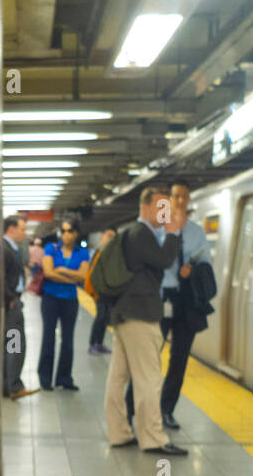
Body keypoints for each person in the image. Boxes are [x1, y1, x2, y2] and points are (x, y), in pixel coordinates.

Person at [124, 181, 213, 429]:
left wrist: (192, 269)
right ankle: (131, 409)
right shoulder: (158, 229)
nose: (180, 200)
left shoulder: (197, 231)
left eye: (184, 196)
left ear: (188, 200)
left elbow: (206, 262)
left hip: (186, 302)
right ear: (169, 200)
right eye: (176, 196)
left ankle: (166, 410)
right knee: (149, 357)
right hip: (160, 299)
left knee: (179, 361)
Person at [105, 187, 187, 456]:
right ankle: (153, 438)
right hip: (140, 315)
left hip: (127, 313)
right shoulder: (142, 234)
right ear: (146, 207)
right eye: (162, 207)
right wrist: (174, 232)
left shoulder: (132, 234)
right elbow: (164, 260)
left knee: (118, 377)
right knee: (149, 378)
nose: (166, 214)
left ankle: (119, 433)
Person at [37, 218, 88, 392]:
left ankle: (64, 378)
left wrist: (61, 270)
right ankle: (45, 378)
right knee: (48, 337)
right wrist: (70, 276)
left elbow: (83, 276)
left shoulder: (82, 252)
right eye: (63, 231)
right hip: (50, 299)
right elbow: (48, 273)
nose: (66, 235)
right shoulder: (51, 248)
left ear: (76, 233)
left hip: (70, 300)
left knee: (68, 340)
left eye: (69, 231)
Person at [1, 215, 37, 399]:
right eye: (22, 229)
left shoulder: (10, 249)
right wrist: (10, 299)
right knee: (14, 345)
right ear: (11, 229)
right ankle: (14, 386)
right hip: (12, 307)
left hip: (13, 303)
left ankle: (8, 385)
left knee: (11, 345)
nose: (25, 233)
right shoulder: (5, 250)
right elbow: (0, 278)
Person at [86, 227, 117, 355]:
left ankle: (99, 343)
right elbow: (91, 274)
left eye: (113, 236)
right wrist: (93, 291)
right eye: (109, 235)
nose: (111, 239)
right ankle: (92, 344)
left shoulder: (112, 253)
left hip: (108, 291)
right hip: (99, 291)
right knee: (100, 316)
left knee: (105, 317)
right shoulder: (99, 252)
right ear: (102, 235)